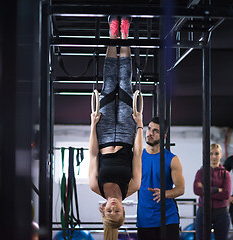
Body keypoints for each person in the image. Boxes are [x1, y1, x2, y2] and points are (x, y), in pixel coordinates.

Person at [89, 15, 143, 240]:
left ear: (103, 210)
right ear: (124, 210)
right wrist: (140, 125)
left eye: (109, 211)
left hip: (103, 132)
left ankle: (113, 33)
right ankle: (125, 34)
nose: (112, 206)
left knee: (110, 82)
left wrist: (93, 125)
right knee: (125, 82)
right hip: (126, 134)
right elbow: (138, 154)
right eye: (117, 211)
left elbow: (92, 155)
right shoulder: (133, 186)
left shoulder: (95, 186)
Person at [136, 117, 185, 240]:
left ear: (163, 136)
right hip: (145, 219)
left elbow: (180, 189)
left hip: (168, 218)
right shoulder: (137, 157)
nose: (150, 133)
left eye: (156, 131)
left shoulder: (172, 159)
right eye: (149, 129)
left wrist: (165, 193)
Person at [193, 143, 231, 240]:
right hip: (203, 212)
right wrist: (217, 190)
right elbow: (196, 190)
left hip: (221, 213)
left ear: (221, 155)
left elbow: (226, 194)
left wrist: (205, 190)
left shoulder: (225, 174)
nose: (214, 157)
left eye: (216, 153)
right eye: (211, 153)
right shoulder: (201, 172)